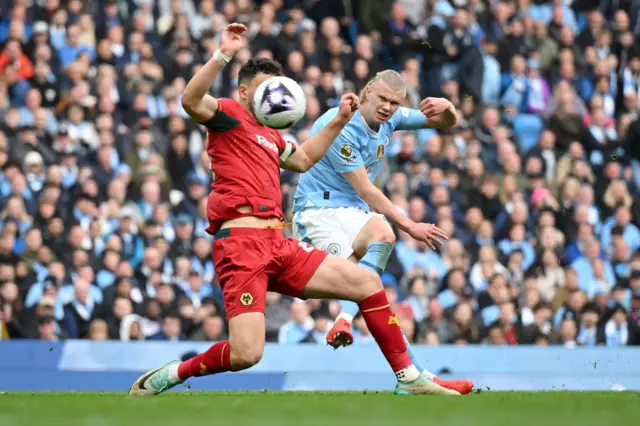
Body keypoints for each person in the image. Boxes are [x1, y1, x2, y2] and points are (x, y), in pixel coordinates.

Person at [128, 23, 458, 397]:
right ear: (244, 91)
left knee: (367, 282)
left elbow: (301, 159)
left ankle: (408, 377)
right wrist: (223, 54)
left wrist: (337, 120)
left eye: (278, 89)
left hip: (278, 242)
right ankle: (175, 373)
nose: (275, 96)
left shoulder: (271, 135)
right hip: (241, 245)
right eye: (266, 89)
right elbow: (190, 100)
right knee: (246, 353)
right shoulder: (228, 116)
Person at [292, 69, 473, 394]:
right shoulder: (343, 125)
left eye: (395, 102)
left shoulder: (391, 117)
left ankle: (359, 331)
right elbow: (366, 189)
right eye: (384, 99)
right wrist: (410, 225)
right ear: (367, 91)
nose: (389, 108)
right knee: (365, 282)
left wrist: (448, 107)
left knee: (382, 236)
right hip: (317, 212)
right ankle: (413, 374)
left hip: (349, 211)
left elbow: (445, 123)